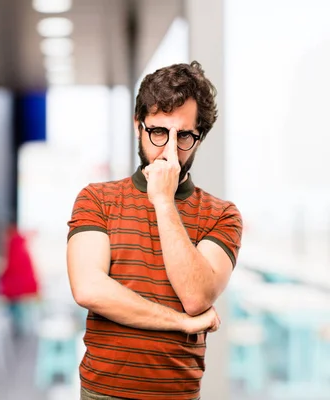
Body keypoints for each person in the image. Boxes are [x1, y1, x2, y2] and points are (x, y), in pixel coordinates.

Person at [67, 61, 242, 400]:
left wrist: (163, 202)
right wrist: (180, 323)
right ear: (139, 126)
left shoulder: (222, 215)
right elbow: (89, 289)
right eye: (159, 131)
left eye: (185, 136)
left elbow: (194, 297)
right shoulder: (97, 199)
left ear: (199, 138)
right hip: (103, 392)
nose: (169, 150)